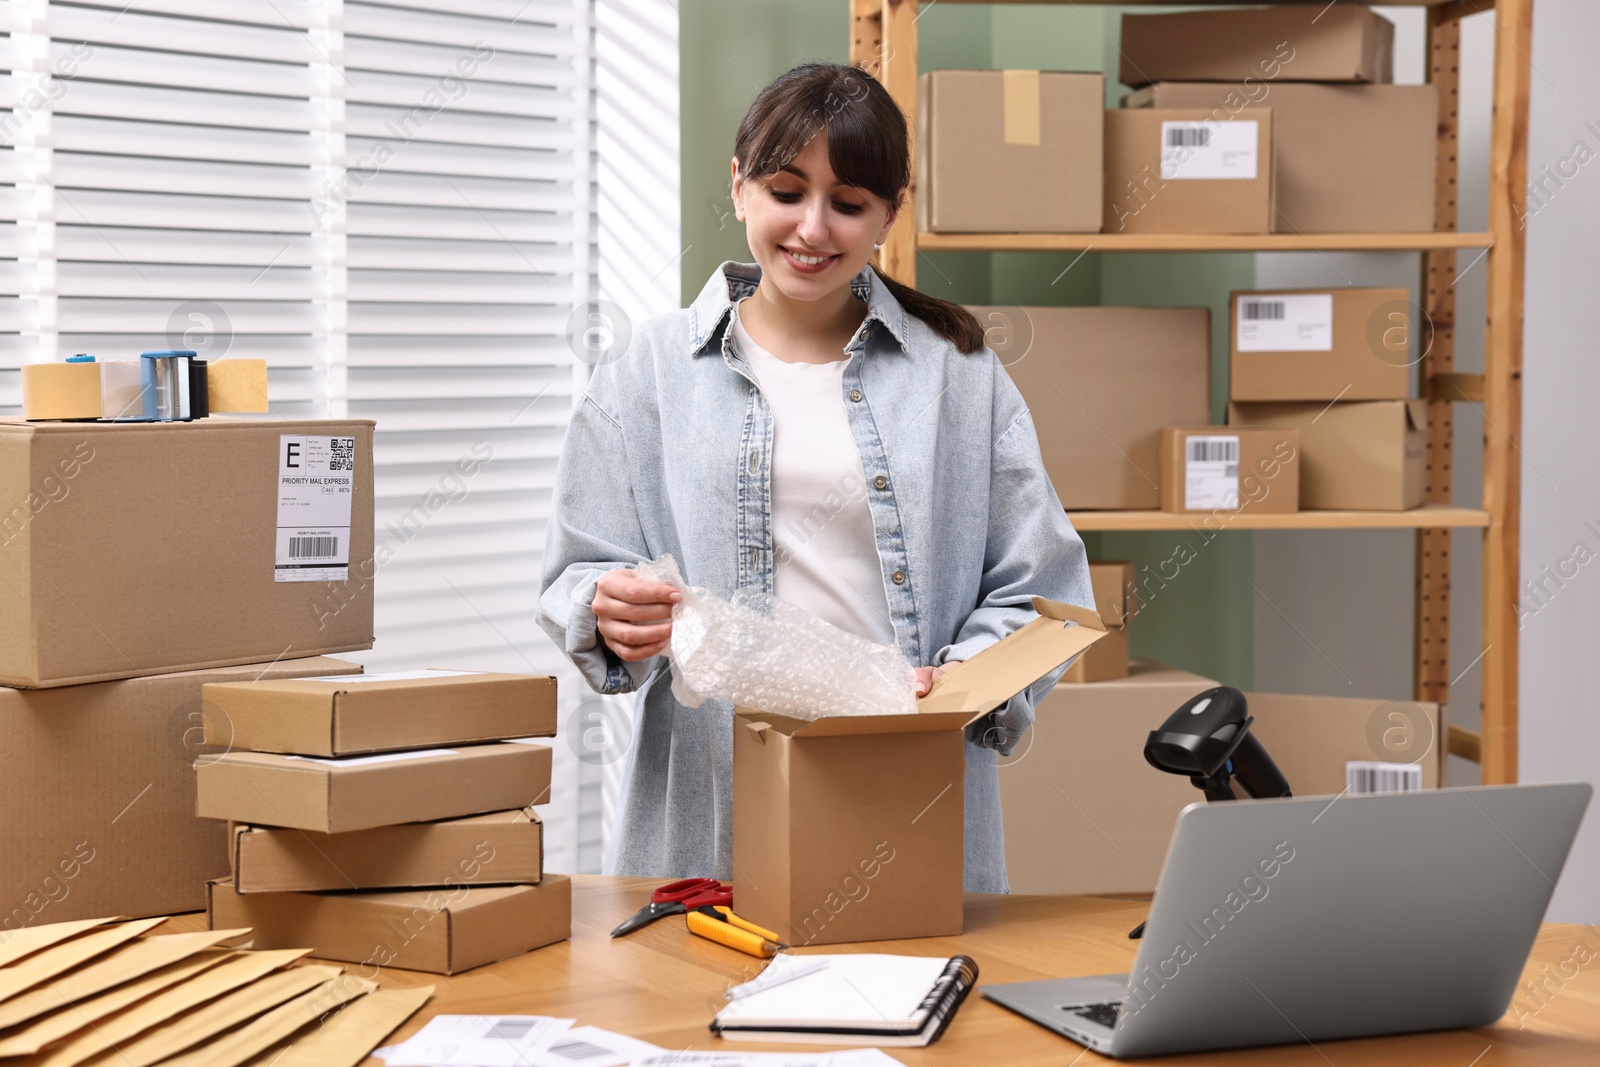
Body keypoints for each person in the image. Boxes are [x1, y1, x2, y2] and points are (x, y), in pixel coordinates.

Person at [537, 61, 1092, 893]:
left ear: (890, 212)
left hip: (903, 780)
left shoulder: (959, 376)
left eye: (849, 202)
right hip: (712, 796)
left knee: (913, 1011)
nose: (813, 227)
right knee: (696, 1011)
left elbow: (1040, 586)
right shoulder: (646, 372)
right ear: (740, 188)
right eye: (787, 191)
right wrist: (606, 606)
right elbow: (576, 569)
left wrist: (958, 682)